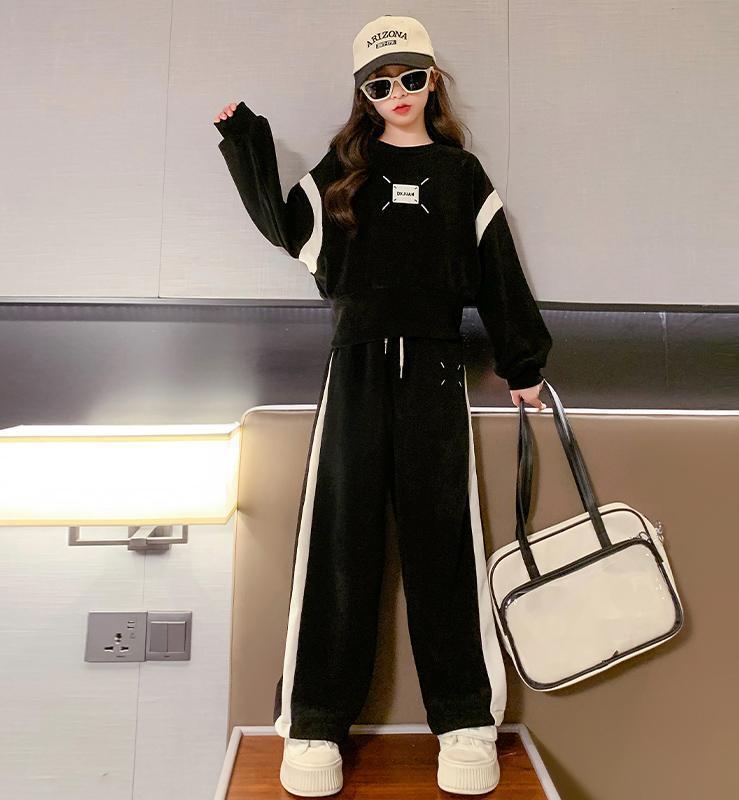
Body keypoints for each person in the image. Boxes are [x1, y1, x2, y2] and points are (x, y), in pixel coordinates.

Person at [212, 14, 552, 797]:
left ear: (433, 82)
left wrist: (522, 362)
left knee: (444, 543)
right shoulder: (345, 170)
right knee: (339, 541)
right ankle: (314, 724)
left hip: (436, 369)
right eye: (380, 83)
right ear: (364, 94)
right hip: (356, 368)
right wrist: (247, 142)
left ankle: (464, 721)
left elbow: (498, 270)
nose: (397, 93)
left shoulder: (461, 175)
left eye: (411, 77)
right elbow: (284, 225)